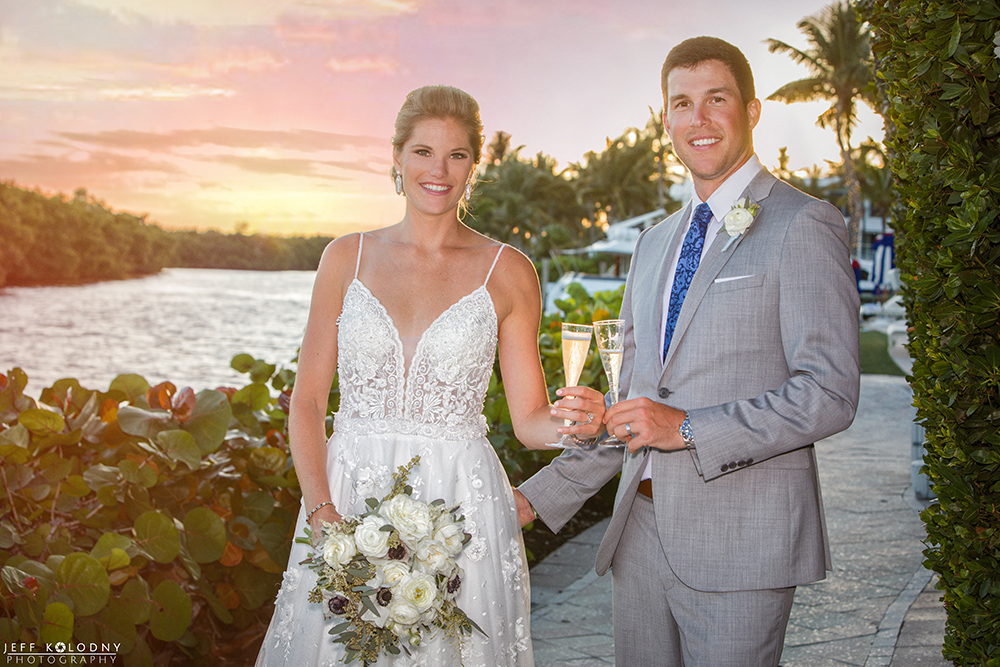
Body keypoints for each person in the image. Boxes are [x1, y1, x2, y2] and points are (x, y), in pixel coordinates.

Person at [515, 37, 861, 666]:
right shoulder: (652, 245)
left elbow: (829, 392)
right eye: (681, 104)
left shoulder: (804, 224)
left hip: (742, 541)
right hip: (638, 538)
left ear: (751, 110)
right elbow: (636, 404)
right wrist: (533, 499)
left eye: (716, 100)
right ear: (666, 119)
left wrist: (691, 428)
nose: (697, 119)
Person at [255, 85, 606, 666]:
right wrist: (322, 514)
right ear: (396, 158)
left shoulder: (509, 271)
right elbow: (309, 400)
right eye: (423, 152)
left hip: (461, 511)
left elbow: (530, 423)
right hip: (347, 500)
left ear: (475, 165)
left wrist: (580, 422)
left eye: (457, 155)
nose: (439, 171)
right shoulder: (345, 258)